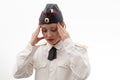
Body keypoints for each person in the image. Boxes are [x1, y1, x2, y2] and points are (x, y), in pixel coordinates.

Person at [13, 3, 90, 80]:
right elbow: (17, 74)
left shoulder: (77, 50)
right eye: (44, 30)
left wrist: (68, 43)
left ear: (62, 27)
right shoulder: (36, 51)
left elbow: (83, 74)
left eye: (53, 29)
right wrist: (30, 45)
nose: (49, 35)